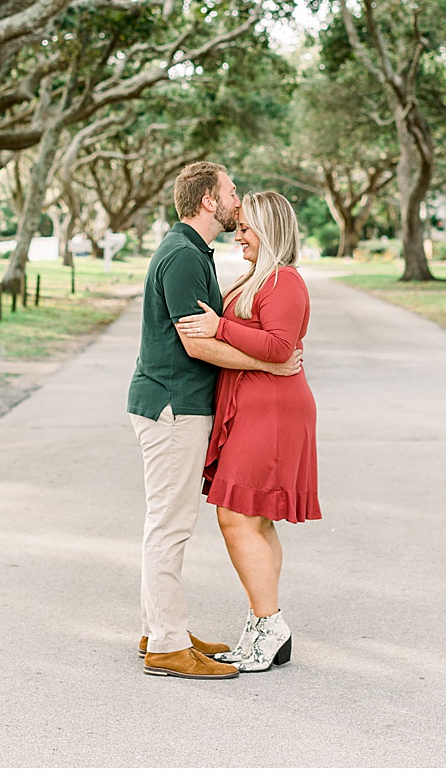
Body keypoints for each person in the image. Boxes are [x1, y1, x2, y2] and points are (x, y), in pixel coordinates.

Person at [127, 161, 303, 680]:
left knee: (168, 522)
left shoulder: (193, 252)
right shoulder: (182, 256)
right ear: (208, 200)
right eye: (230, 191)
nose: (236, 199)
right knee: (170, 524)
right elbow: (197, 341)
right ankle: (165, 644)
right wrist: (271, 362)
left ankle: (161, 628)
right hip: (172, 406)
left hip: (180, 405)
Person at [174, 189, 320, 673]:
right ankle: (265, 628)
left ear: (270, 228)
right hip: (256, 406)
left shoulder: (285, 282)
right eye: (238, 225)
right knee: (255, 519)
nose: (240, 234)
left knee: (236, 517)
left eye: (248, 226)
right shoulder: (256, 279)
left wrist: (220, 328)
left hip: (273, 413)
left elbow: (280, 347)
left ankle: (269, 622)